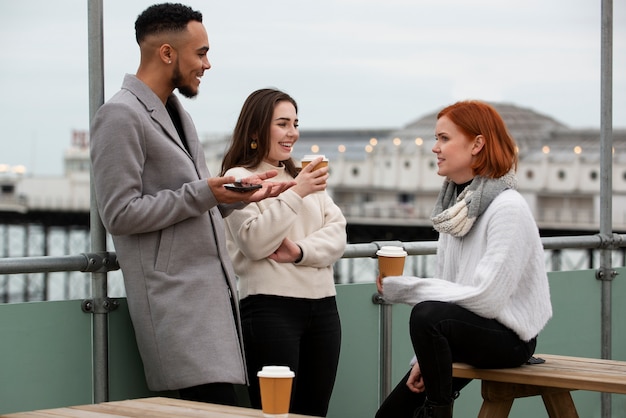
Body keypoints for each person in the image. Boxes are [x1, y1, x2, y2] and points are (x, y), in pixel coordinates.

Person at [89, 3, 294, 406]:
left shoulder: (176, 112)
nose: (208, 64)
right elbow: (119, 213)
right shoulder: (120, 115)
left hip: (213, 297)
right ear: (167, 53)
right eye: (200, 53)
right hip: (176, 302)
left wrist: (235, 198)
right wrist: (207, 193)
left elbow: (192, 201)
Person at [375, 100, 552, 418]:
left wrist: (405, 288)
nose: (434, 148)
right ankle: (435, 401)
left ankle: (438, 411)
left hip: (510, 337)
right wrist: (422, 362)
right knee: (389, 415)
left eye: (444, 138)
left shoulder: (506, 207)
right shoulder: (458, 209)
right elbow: (447, 286)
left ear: (477, 144)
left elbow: (487, 300)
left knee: (427, 313)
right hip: (464, 330)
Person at [219, 88, 347, 417]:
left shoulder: (301, 177)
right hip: (268, 310)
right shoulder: (238, 179)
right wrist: (298, 193)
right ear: (255, 130)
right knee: (275, 413)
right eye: (283, 124)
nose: (293, 133)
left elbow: (337, 234)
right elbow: (254, 241)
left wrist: (300, 251)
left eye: (295, 123)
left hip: (324, 310)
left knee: (315, 411)